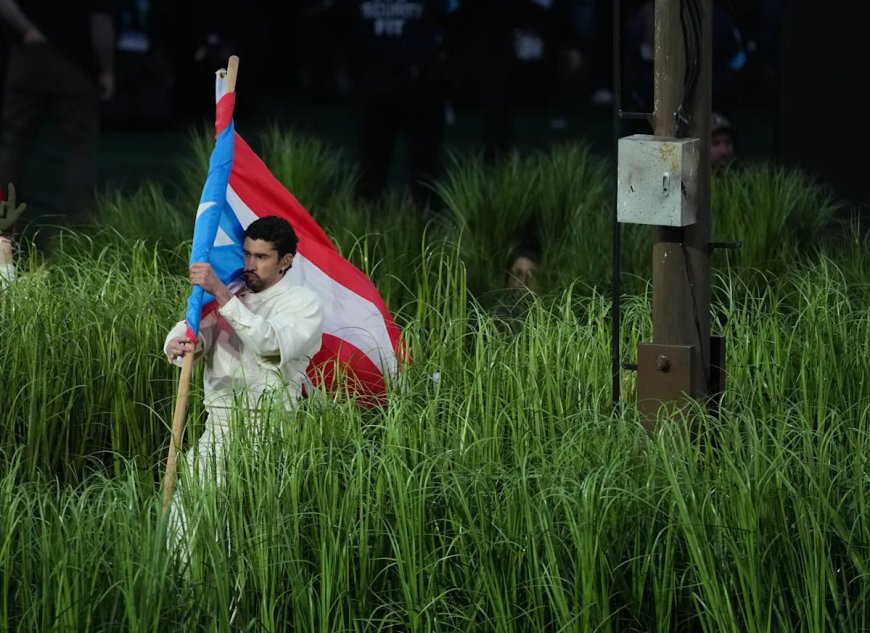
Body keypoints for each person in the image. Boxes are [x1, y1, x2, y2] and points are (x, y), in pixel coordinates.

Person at [164, 216, 325, 488]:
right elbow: (195, 329)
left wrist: (220, 292)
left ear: (286, 261)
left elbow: (269, 344)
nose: (250, 265)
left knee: (253, 515)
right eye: (247, 254)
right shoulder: (232, 293)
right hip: (216, 431)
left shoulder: (304, 303)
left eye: (261, 257)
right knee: (187, 512)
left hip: (271, 436)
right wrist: (178, 342)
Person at [0, 0, 115, 223]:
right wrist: (107, 71)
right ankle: (77, 228)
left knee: (14, 144)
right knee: (80, 149)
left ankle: (3, 224)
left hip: (27, 56)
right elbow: (100, 20)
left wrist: (27, 30)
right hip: (75, 62)